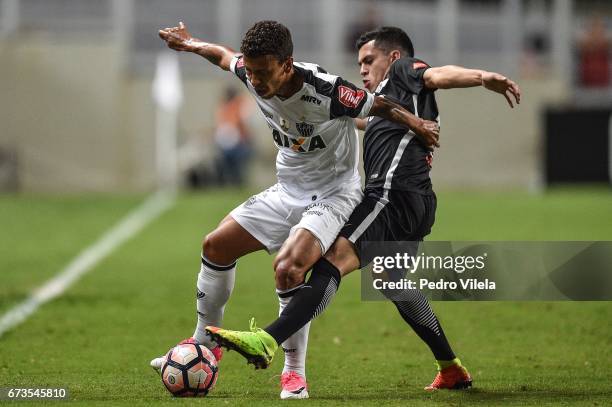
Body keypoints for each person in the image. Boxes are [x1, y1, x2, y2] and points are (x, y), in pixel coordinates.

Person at [206, 26, 521, 392]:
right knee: (393, 283)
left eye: (369, 60)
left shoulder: (403, 74)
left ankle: (268, 339)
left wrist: (483, 77)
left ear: (394, 57)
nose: (363, 69)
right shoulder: (385, 102)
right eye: (359, 63)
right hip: (418, 203)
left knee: (331, 262)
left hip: (388, 196)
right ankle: (450, 367)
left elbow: (436, 74)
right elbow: (355, 118)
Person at [150, 21, 440, 400]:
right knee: (215, 246)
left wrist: (418, 124)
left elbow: (381, 105)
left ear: (287, 65)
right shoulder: (251, 71)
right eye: (251, 72)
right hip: (287, 190)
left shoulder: (326, 89)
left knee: (289, 267)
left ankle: (293, 373)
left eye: (264, 73)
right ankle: (204, 346)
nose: (255, 81)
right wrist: (188, 44)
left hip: (334, 194)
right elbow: (222, 56)